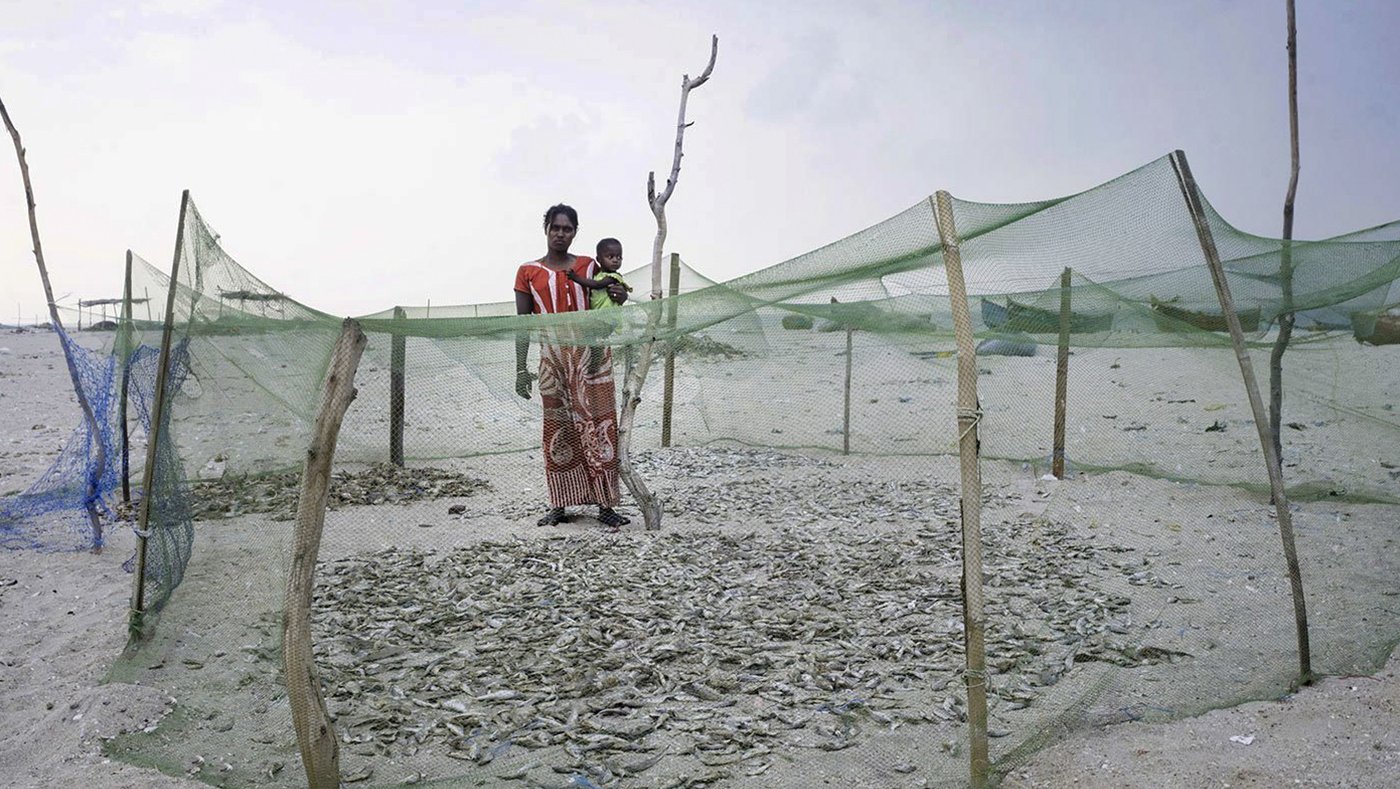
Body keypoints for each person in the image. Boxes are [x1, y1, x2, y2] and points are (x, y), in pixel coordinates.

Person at [513, 204, 631, 529]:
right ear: (546, 229)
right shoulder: (527, 272)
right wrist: (520, 369)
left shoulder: (589, 266)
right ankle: (559, 504)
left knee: (601, 425)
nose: (560, 234)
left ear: (575, 232)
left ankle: (606, 505)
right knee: (557, 428)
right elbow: (522, 325)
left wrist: (619, 297)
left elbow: (610, 300)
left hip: (592, 356)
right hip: (552, 360)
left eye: (567, 228)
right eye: (555, 228)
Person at [566, 237, 632, 373]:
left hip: (608, 319)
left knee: (588, 333)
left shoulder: (614, 277)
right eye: (611, 256)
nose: (615, 260)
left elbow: (596, 285)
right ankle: (595, 360)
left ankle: (596, 358)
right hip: (600, 317)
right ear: (599, 259)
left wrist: (575, 278)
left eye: (619, 257)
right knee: (592, 339)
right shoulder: (598, 274)